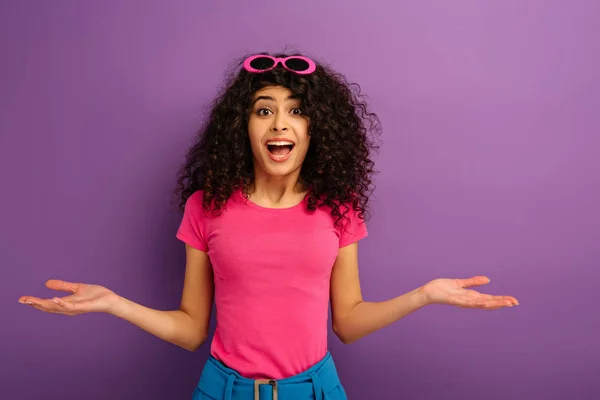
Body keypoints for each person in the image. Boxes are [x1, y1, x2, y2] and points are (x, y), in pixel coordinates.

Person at [19, 52, 519, 400]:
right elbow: (192, 330)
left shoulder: (338, 209)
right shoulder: (206, 207)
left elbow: (347, 322)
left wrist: (425, 294)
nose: (280, 124)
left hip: (316, 391)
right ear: (245, 129)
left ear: (313, 130)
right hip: (222, 390)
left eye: (296, 112)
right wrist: (113, 303)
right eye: (265, 112)